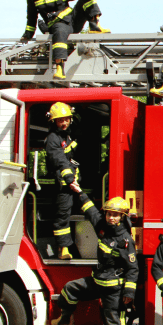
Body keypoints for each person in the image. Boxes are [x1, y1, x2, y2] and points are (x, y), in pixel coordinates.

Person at [51, 197, 138, 325]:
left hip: (113, 290)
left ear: (122, 217)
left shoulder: (125, 240)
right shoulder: (102, 227)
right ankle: (66, 317)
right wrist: (78, 191)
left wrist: (129, 293)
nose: (111, 217)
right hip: (97, 282)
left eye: (115, 215)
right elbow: (91, 211)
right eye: (109, 214)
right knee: (70, 289)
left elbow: (133, 269)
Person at [21, 0, 108, 81]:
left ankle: (95, 26)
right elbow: (31, 16)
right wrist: (28, 34)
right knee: (60, 32)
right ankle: (59, 68)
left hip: (73, 21)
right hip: (58, 25)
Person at [44, 102, 103, 260]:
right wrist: (70, 180)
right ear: (54, 121)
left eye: (66, 119)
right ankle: (63, 249)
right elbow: (60, 161)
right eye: (60, 120)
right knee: (63, 216)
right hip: (64, 185)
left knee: (88, 206)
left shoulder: (68, 134)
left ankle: (103, 233)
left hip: (74, 182)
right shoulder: (53, 138)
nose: (64, 123)